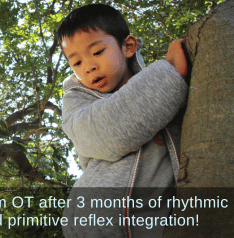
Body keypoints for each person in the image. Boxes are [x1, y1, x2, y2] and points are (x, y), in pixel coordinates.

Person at [57, 3, 188, 238]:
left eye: (97, 52)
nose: (89, 66)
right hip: (93, 223)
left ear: (128, 46)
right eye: (76, 63)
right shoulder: (77, 100)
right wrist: (169, 74)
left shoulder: (166, 89)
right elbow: (106, 132)